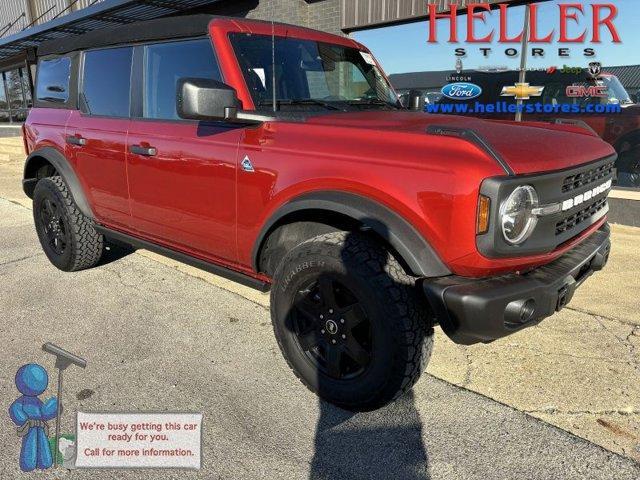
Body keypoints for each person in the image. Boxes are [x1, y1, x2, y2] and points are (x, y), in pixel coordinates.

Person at [9, 364, 58, 472]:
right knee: (30, 443)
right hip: (30, 426)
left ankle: (45, 461)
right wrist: (23, 418)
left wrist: (54, 406)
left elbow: (44, 411)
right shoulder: (22, 401)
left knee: (42, 442)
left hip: (39, 425)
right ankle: (28, 463)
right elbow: (16, 409)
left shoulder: (38, 402)